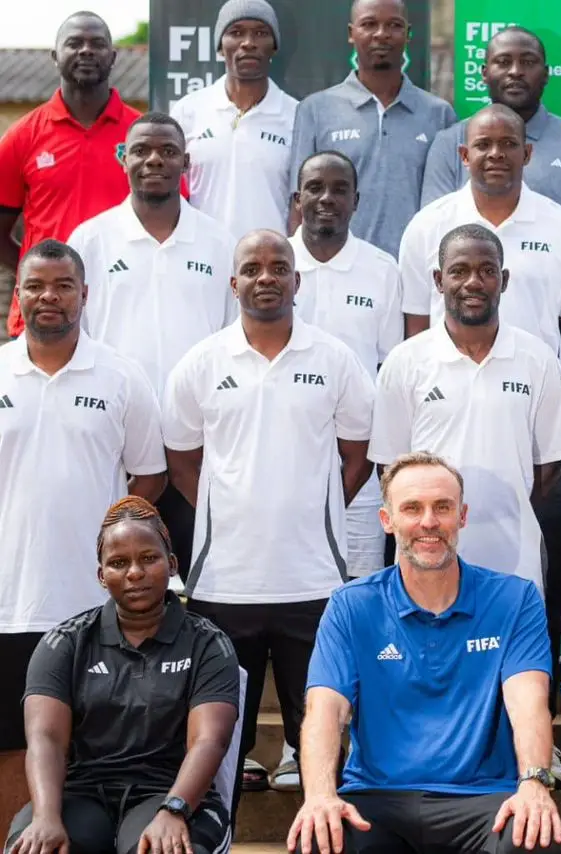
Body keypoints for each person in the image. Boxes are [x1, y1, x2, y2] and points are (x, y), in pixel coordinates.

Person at [162, 229, 376, 814]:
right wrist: (229, 507)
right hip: (225, 583)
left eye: (278, 266)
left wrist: (316, 507)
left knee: (321, 729)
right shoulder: (201, 363)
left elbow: (357, 455)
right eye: (252, 268)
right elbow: (182, 463)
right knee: (220, 737)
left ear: (296, 280)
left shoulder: (335, 358)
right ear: (233, 283)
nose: (265, 277)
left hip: (313, 582)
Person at [286, 453, 561, 854]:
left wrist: (535, 783)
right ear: (387, 520)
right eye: (412, 508)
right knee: (319, 839)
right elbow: (324, 712)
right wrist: (319, 796)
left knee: (534, 838)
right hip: (377, 797)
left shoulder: (514, 599)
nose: (429, 522)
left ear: (462, 516)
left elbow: (529, 703)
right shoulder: (351, 605)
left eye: (442, 507)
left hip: (484, 800)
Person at [0, 239, 168, 826]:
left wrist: (111, 549)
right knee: (12, 747)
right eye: (37, 286)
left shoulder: (122, 376)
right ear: (19, 296)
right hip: (7, 603)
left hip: (94, 607)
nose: (50, 296)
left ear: (85, 295)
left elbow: (151, 472)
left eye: (63, 285)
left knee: (92, 752)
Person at [5, 497, 240, 854]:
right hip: (81, 792)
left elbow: (209, 741)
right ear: (102, 575)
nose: (134, 572)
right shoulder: (65, 643)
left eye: (149, 558)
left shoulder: (208, 643)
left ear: (172, 564)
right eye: (118, 563)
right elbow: (46, 739)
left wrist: (174, 809)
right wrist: (46, 816)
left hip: (170, 790)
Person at [67, 112, 236, 581]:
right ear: (124, 159)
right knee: (117, 575)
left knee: (203, 575)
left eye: (167, 151)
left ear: (186, 161)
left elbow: (231, 336)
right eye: (140, 150)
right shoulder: (91, 240)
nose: (154, 160)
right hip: (116, 438)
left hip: (197, 442)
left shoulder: (218, 242)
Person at [371, 224, 561, 594]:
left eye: (487, 270)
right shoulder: (405, 362)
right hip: (424, 562)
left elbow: (549, 468)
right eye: (459, 271)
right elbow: (391, 469)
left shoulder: (538, 359)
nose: (473, 282)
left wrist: (505, 512)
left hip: (514, 563)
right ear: (438, 280)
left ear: (504, 280)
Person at [399, 104, 561, 361]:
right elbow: (416, 327)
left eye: (508, 144)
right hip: (445, 391)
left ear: (527, 154)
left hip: (535, 391)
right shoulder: (426, 226)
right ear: (464, 155)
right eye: (483, 145)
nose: (496, 154)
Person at [290, 150, 403, 579]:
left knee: (355, 587)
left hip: (361, 468)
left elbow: (390, 371)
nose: (327, 198)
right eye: (315, 188)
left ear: (356, 200)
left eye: (340, 189)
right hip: (282, 457)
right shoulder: (270, 263)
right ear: (297, 198)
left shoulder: (381, 270)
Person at [0, 12, 142, 338]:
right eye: (74, 43)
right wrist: (41, 276)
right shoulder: (23, 136)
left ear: (113, 57)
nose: (86, 51)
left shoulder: (140, 136)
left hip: (121, 308)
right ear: (55, 57)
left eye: (97, 44)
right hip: (44, 314)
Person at [288, 0, 458, 257]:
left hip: (414, 268)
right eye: (369, 24)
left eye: (393, 25)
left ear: (409, 34)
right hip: (338, 265)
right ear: (350, 33)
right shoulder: (315, 109)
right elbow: (298, 205)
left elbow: (448, 207)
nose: (381, 34)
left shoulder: (439, 114)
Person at [419, 27, 561, 220]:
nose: (516, 72)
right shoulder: (450, 142)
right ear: (484, 73)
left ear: (546, 74)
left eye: (528, 62)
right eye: (503, 62)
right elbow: (435, 225)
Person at [171, 0, 298, 240]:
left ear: (274, 47)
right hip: (201, 260)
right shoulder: (188, 111)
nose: (248, 43)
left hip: (269, 269)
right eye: (236, 32)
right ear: (220, 47)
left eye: (260, 33)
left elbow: (301, 205)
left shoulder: (295, 115)